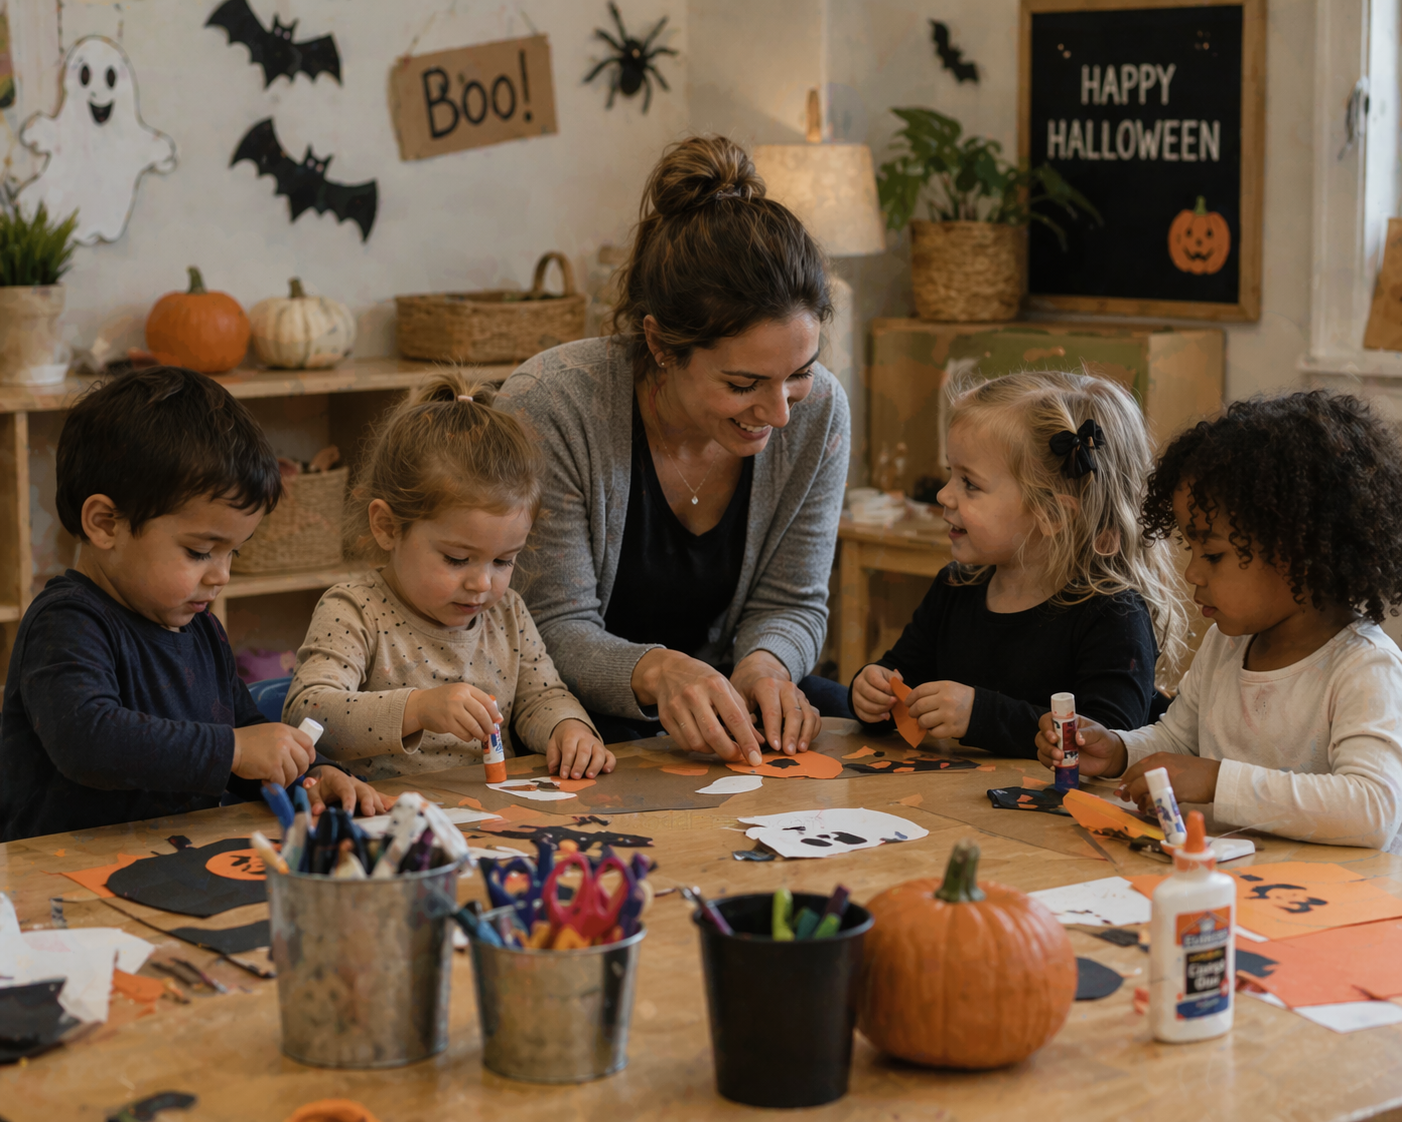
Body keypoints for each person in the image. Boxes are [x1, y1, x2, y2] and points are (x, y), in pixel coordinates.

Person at [496, 136, 849, 768]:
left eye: (800, 371)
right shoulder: (554, 404)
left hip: (730, 705)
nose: (780, 413)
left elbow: (793, 602)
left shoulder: (820, 410)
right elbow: (547, 627)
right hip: (574, 716)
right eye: (743, 384)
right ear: (660, 346)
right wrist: (659, 673)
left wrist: (767, 668)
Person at [0, 367, 380, 842]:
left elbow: (243, 727)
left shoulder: (198, 627)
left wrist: (314, 774)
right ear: (105, 524)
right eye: (200, 551)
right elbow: (88, 738)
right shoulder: (67, 622)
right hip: (57, 882)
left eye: (232, 552)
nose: (221, 574)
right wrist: (233, 750)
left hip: (169, 861)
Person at [1037, 391, 1402, 852]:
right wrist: (1118, 750)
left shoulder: (1365, 669)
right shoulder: (1226, 645)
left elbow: (1373, 810)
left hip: (1330, 903)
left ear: (1300, 553)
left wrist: (1217, 782)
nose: (1192, 573)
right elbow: (1177, 740)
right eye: (1192, 551)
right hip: (1231, 883)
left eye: (1213, 554)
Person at [284, 373, 611, 783]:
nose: (482, 584)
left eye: (503, 561)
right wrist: (417, 709)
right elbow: (308, 713)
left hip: (495, 819)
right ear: (387, 526)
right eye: (457, 559)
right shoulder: (354, 610)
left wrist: (569, 729)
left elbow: (541, 697)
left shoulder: (507, 613)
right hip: (388, 820)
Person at [850, 370, 1187, 756]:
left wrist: (980, 717)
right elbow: (900, 676)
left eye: (970, 484)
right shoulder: (956, 585)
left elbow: (1105, 739)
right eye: (950, 474)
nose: (944, 495)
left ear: (1053, 515)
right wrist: (870, 691)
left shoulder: (1113, 614)